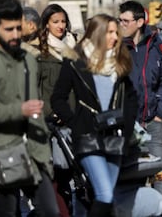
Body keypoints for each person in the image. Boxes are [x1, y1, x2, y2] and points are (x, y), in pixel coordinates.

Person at [51, 13, 138, 216]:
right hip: (88, 137)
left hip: (115, 137)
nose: (115, 37)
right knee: (105, 194)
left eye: (115, 33)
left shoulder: (119, 62)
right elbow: (58, 99)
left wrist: (127, 124)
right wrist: (76, 123)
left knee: (107, 197)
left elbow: (132, 97)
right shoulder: (75, 62)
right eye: (109, 33)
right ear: (97, 34)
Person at [0, 0, 59, 217]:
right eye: (9, 29)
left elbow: (35, 106)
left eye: (18, 28)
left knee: (50, 211)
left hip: (34, 153)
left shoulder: (28, 59)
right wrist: (19, 110)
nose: (16, 35)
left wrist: (45, 153)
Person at [118, 0, 162, 217]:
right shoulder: (117, 46)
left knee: (159, 172)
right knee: (130, 175)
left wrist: (161, 113)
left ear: (140, 21)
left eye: (126, 20)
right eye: (120, 20)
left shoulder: (157, 44)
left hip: (152, 121)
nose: (121, 24)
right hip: (127, 125)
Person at [38, 3, 79, 216]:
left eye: (63, 21)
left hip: (73, 120)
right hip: (50, 123)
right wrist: (49, 114)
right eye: (55, 22)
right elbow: (36, 88)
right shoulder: (39, 51)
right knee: (55, 174)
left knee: (73, 172)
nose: (61, 26)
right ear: (46, 24)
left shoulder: (74, 47)